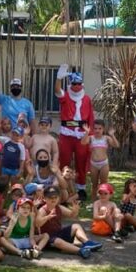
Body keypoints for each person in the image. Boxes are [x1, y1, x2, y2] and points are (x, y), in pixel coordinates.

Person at [54, 66, 94, 201]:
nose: (76, 86)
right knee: (64, 160)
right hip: (66, 133)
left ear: (82, 84)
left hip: (82, 134)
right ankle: (62, 187)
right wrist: (58, 78)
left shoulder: (87, 99)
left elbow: (91, 117)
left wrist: (90, 135)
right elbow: (57, 91)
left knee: (81, 161)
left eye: (78, 83)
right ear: (70, 84)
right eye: (74, 84)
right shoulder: (66, 96)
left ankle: (81, 188)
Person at [35, 186, 101, 258]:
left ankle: (87, 242)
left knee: (76, 226)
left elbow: (71, 215)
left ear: (58, 198)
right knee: (58, 241)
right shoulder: (43, 210)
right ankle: (80, 250)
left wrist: (75, 210)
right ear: (45, 199)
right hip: (48, 238)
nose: (53, 199)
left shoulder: (59, 207)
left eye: (55, 197)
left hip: (59, 233)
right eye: (50, 197)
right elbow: (38, 224)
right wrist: (48, 217)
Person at [81, 120, 119, 199]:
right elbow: (83, 142)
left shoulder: (106, 138)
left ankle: (103, 201)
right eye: (95, 128)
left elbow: (116, 145)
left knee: (103, 184)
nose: (97, 130)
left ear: (103, 129)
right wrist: (87, 133)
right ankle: (94, 201)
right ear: (93, 129)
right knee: (94, 184)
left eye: (99, 128)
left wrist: (112, 135)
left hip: (104, 163)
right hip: (93, 164)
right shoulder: (91, 138)